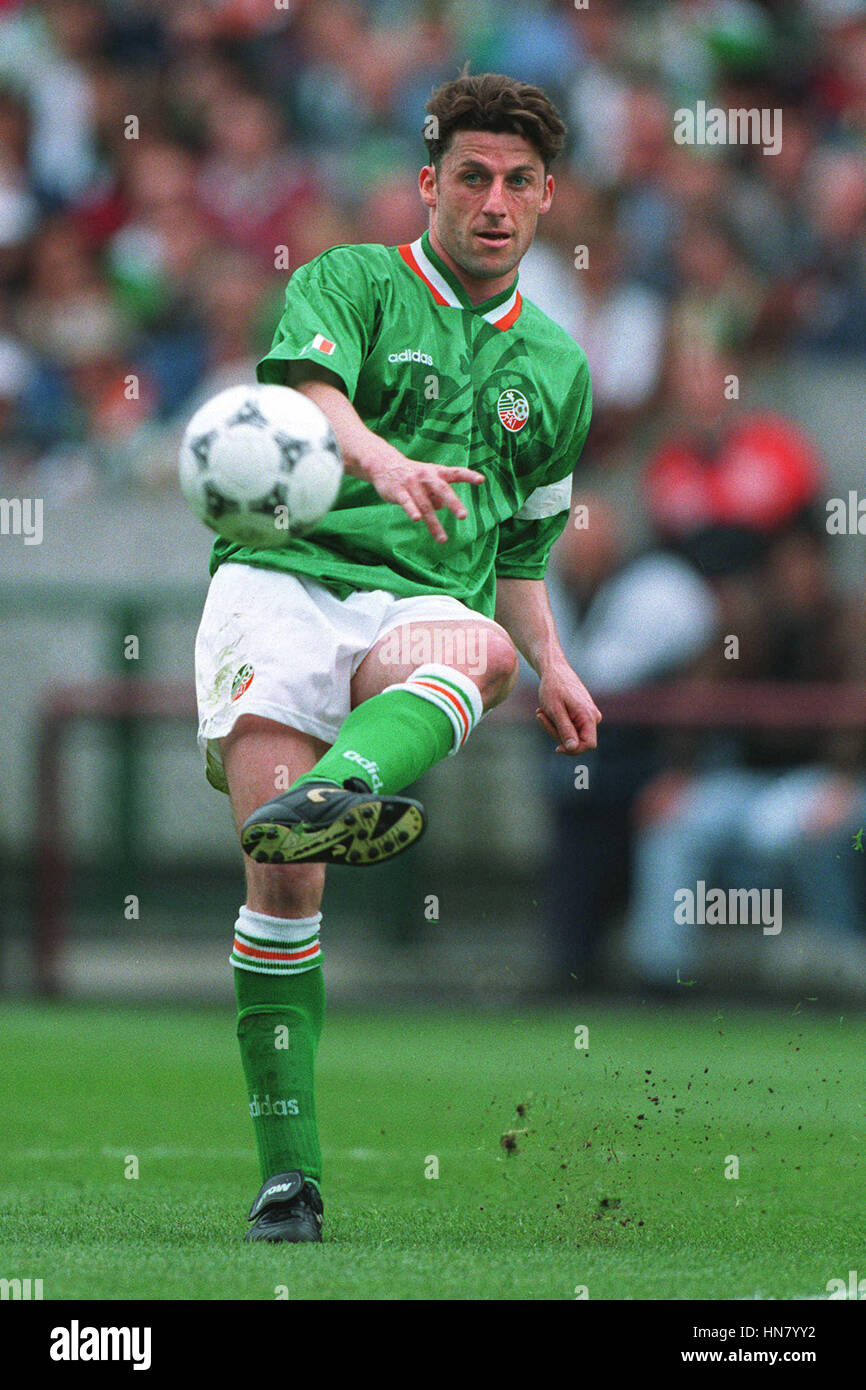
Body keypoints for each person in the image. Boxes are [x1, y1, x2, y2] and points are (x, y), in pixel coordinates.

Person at [193, 72, 600, 1243]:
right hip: (282, 581)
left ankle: (351, 784)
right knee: (283, 881)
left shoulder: (559, 372)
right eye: (470, 176)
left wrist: (556, 658)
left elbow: (519, 550)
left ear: (545, 197)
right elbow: (312, 398)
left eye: (518, 181)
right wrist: (377, 460)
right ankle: (290, 1181)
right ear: (428, 185)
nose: (493, 201)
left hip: (419, 607)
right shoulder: (352, 280)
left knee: (481, 651)